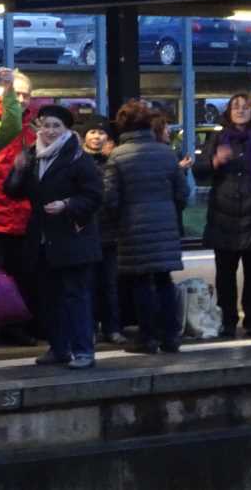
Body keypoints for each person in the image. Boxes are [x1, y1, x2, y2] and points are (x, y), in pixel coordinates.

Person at [5, 105, 103, 369]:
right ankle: (59, 348)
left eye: (56, 126)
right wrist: (18, 170)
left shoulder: (77, 158)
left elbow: (94, 195)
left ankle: (83, 350)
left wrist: (67, 205)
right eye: (46, 125)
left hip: (72, 237)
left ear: (66, 130)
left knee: (75, 296)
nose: (49, 131)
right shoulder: (32, 156)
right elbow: (13, 192)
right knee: (49, 298)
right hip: (42, 239)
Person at [105, 101, 189, 355]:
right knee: (164, 280)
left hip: (133, 225)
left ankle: (147, 337)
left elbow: (110, 197)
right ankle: (171, 336)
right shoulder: (166, 152)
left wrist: (117, 220)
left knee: (141, 282)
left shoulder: (118, 155)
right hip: (165, 224)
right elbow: (183, 192)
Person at [193, 93, 251, 338]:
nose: (240, 111)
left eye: (245, 107)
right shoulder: (218, 137)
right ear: (228, 112)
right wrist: (216, 161)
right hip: (223, 215)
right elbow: (200, 171)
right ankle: (227, 319)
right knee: (225, 273)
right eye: (235, 107)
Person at [0, 70, 39, 348]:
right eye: (15, 93)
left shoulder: (35, 131)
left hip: (24, 217)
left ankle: (16, 327)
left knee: (21, 276)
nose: (21, 99)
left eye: (25, 95)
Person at [74, 114, 127, 345]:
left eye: (102, 132)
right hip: (85, 230)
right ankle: (90, 328)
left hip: (109, 231)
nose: (97, 136)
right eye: (93, 132)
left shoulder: (114, 161)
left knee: (110, 284)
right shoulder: (77, 159)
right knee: (87, 284)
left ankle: (112, 327)